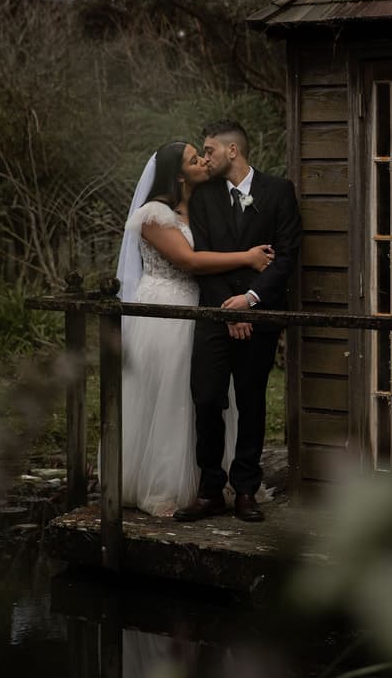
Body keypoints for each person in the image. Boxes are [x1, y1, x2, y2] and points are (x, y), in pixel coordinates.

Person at [116, 141, 274, 517]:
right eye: (194, 159)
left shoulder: (202, 206)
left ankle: (214, 480)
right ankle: (167, 484)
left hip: (201, 308)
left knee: (204, 397)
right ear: (178, 174)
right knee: (171, 397)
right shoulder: (154, 214)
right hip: (167, 310)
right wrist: (248, 258)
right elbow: (188, 260)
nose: (203, 161)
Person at [173, 119, 302, 523]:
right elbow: (202, 259)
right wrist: (228, 309)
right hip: (214, 314)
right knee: (207, 397)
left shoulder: (278, 191)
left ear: (233, 151)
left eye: (209, 150)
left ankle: (245, 489)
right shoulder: (204, 196)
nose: (204, 157)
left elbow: (286, 254)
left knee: (251, 401)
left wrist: (249, 300)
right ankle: (211, 489)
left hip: (260, 313)